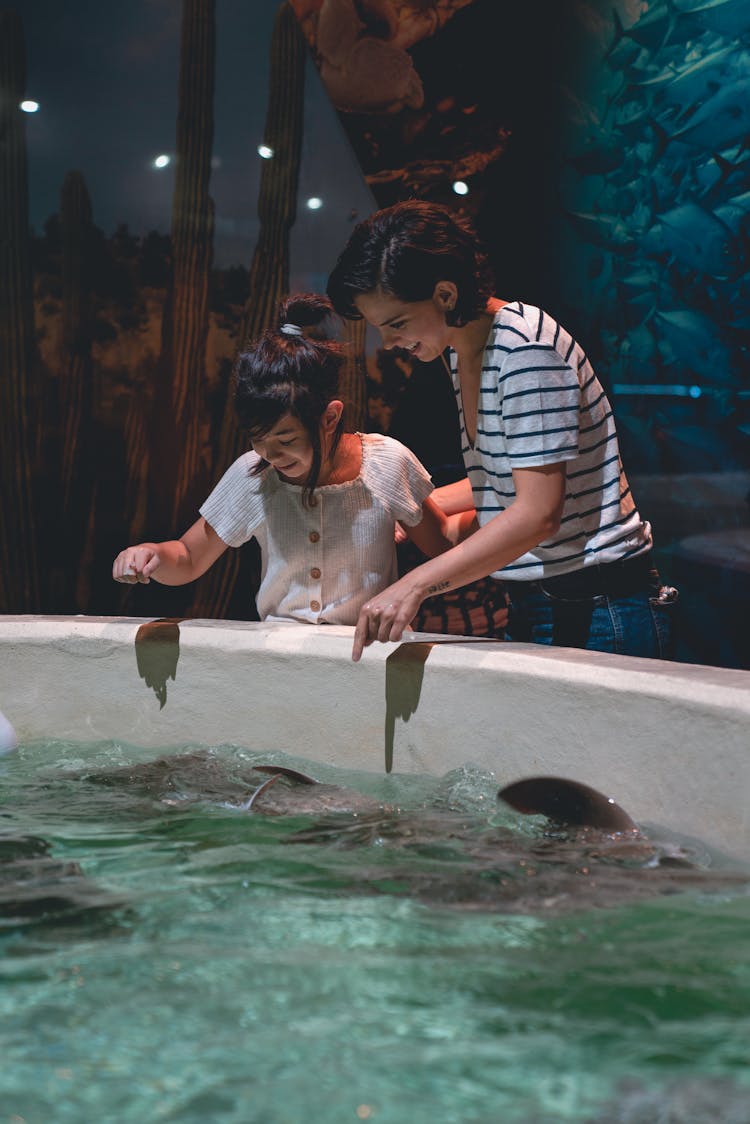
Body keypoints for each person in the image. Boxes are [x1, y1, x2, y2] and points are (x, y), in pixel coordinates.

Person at [326, 200, 677, 661]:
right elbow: (498, 483)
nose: (389, 343)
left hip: (596, 609)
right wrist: (395, 504)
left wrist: (415, 585)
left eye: (397, 324)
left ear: (446, 295)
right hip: (542, 604)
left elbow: (537, 514)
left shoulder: (523, 351)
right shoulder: (461, 350)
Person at [113, 294, 471, 623]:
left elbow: (442, 545)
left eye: (285, 439)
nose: (270, 453)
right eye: (258, 438)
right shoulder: (253, 475)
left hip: (367, 659)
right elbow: (189, 557)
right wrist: (152, 554)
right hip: (281, 660)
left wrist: (509, 522)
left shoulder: (387, 462)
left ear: (329, 418)